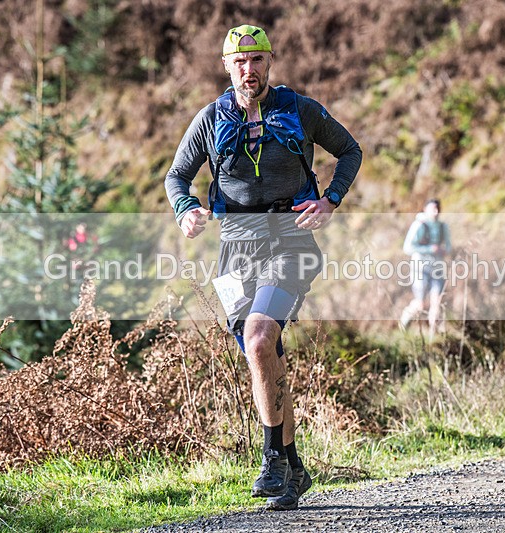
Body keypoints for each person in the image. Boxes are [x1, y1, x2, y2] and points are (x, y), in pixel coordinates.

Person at [163, 24, 361, 511]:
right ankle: (293, 469)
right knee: (264, 355)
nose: (248, 70)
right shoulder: (210, 119)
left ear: (269, 61)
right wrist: (186, 210)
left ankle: (271, 458)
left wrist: (331, 199)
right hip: (234, 250)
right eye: (239, 62)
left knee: (256, 338)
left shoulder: (300, 110)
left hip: (290, 242)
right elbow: (177, 177)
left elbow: (349, 150)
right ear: (226, 67)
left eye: (256, 61)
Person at [399, 198, 452, 337]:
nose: (435, 212)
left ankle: (433, 336)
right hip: (420, 268)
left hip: (437, 268)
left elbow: (448, 246)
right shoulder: (419, 225)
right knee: (420, 304)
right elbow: (408, 248)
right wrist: (430, 249)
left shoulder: (443, 226)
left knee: (437, 302)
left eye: (437, 209)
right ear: (425, 209)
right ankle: (404, 323)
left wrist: (443, 250)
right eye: (432, 209)